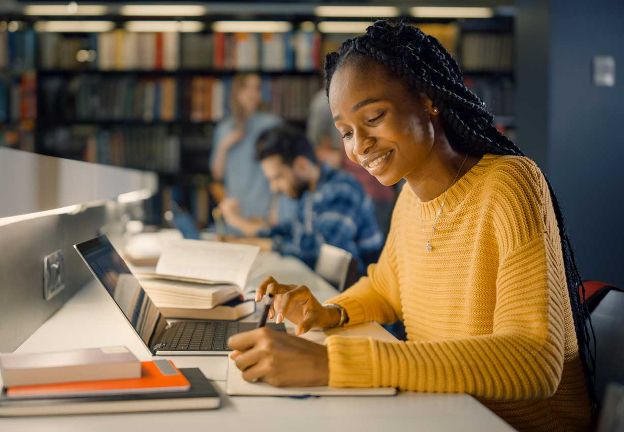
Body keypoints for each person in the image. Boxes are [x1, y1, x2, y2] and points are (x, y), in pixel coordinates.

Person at [228, 20, 595, 432]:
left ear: (428, 100)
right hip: (445, 411)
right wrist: (329, 311)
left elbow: (533, 362)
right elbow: (386, 287)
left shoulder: (510, 185)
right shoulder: (410, 197)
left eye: (374, 117)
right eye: (346, 132)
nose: (359, 146)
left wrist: (333, 363)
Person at [218, 125, 383, 276]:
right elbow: (291, 231)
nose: (274, 188)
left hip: (360, 295)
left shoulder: (341, 190)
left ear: (301, 165)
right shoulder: (311, 193)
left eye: (278, 177)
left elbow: (320, 252)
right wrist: (244, 235)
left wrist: (256, 239)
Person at [307, 88, 396, 237]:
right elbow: (317, 149)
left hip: (377, 194)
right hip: (357, 193)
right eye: (347, 133)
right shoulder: (324, 103)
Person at [210, 73, 294, 230]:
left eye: (256, 88)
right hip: (235, 212)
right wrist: (224, 146)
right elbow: (217, 174)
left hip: (264, 210)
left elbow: (284, 170)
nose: (252, 94)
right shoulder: (224, 128)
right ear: (236, 93)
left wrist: (277, 207)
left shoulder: (272, 124)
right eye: (246, 88)